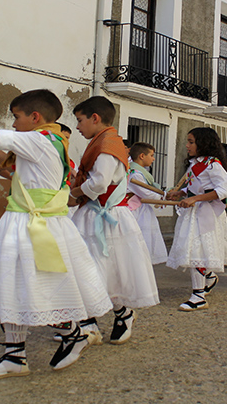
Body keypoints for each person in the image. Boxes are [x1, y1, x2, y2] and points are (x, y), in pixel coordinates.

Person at [0, 89, 112, 379]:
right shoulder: (50, 141)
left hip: (31, 224)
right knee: (12, 285)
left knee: (36, 286)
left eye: (16, 117)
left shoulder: (38, 139)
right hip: (28, 220)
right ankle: (15, 356)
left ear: (35, 117)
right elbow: (8, 160)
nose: (12, 124)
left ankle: (71, 333)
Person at [68, 96, 159, 345]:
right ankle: (89, 322)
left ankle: (122, 313)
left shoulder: (107, 144)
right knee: (91, 267)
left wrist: (73, 193)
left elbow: (99, 182)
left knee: (111, 268)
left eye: (80, 120)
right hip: (95, 213)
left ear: (95, 118)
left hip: (107, 215)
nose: (77, 127)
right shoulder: (104, 141)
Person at [166, 127, 227, 311]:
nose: (187, 145)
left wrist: (194, 199)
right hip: (193, 213)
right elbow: (197, 187)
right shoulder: (195, 163)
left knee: (198, 252)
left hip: (206, 214)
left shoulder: (213, 164)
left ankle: (198, 296)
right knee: (196, 249)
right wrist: (181, 193)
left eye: (191, 142)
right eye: (187, 141)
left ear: (203, 143)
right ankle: (208, 278)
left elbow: (224, 190)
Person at [127, 142, 169, 264]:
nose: (153, 158)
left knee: (146, 239)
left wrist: (164, 195)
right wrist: (164, 197)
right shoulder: (134, 173)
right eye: (151, 155)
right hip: (136, 212)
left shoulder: (139, 173)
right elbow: (147, 193)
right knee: (140, 240)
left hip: (141, 210)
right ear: (141, 156)